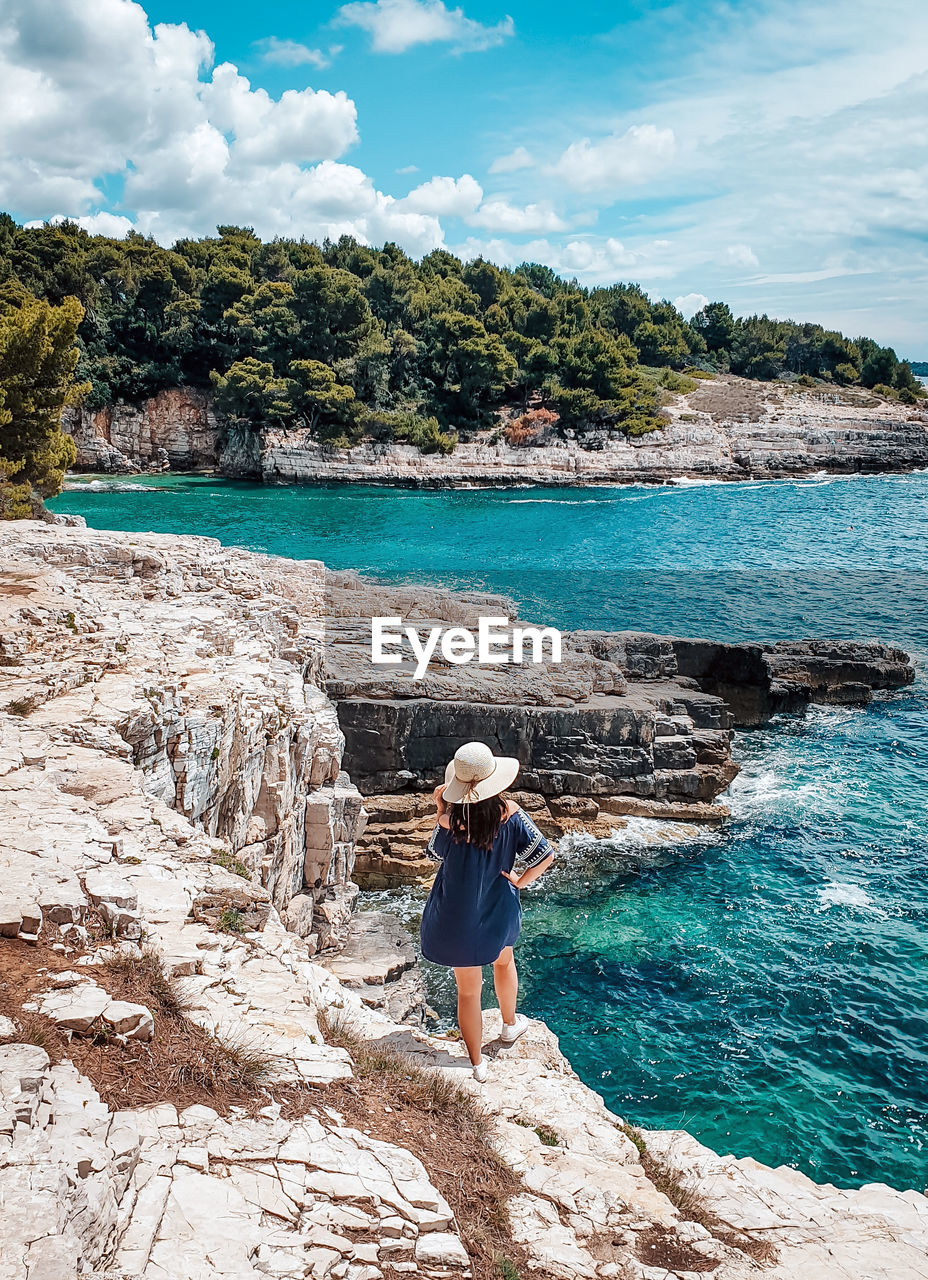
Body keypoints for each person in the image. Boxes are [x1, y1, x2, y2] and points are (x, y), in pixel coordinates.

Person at [419, 741, 555, 1081]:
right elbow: (546, 856)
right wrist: (521, 880)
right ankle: (509, 1026)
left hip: (456, 914)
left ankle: (477, 1063)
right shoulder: (511, 814)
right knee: (504, 960)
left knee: (468, 991)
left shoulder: (451, 822)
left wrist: (440, 808)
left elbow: (433, 855)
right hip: (499, 905)